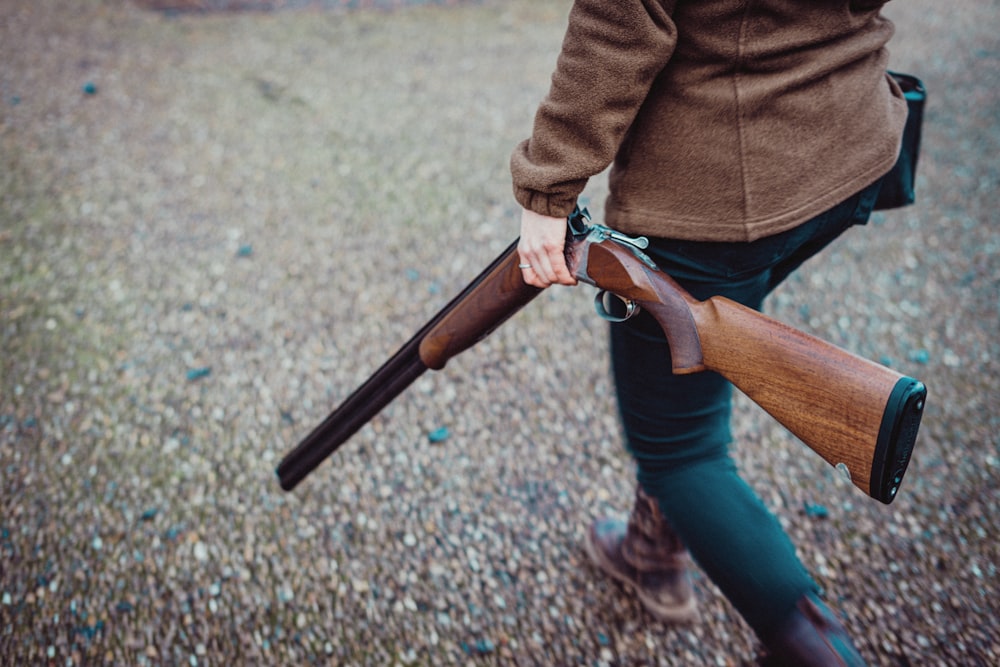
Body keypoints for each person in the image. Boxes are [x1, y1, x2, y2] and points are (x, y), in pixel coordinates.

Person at [510, 1, 908, 665]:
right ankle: (653, 547)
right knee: (692, 352)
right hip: (848, 144)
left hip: (713, 198)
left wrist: (547, 189)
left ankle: (816, 647)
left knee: (680, 450)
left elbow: (621, 18)